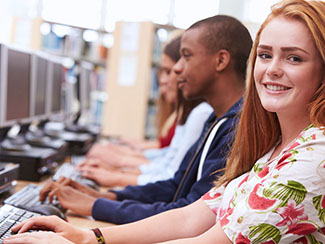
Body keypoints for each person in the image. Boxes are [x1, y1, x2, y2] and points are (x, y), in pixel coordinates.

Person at [4, 0, 325, 243]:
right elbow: (192, 216)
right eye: (266, 55)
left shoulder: (314, 154)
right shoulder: (275, 149)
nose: (271, 69)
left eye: (294, 57)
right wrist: (89, 236)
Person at [35, 14, 252, 225]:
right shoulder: (218, 119)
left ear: (221, 60)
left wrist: (96, 206)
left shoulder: (237, 129)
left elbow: (187, 213)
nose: (177, 68)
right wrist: (104, 197)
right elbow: (174, 186)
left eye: (186, 56)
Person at [78, 36, 213, 187]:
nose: (162, 80)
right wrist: (119, 167)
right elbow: (166, 160)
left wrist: (119, 169)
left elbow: (170, 176)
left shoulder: (201, 114)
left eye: (168, 72)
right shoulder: (190, 113)